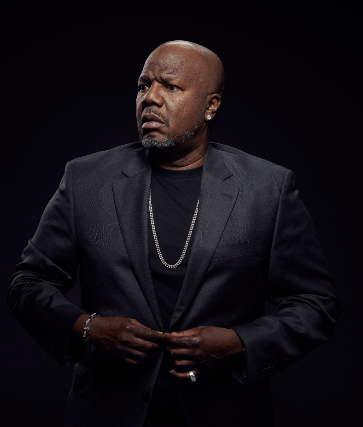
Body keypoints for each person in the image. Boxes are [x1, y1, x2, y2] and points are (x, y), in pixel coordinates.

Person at [7, 40, 341, 427]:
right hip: (106, 413)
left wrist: (239, 343)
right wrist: (88, 328)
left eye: (170, 86)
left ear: (211, 106)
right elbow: (27, 284)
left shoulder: (267, 189)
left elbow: (315, 304)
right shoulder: (87, 180)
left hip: (224, 414)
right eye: (143, 85)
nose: (150, 98)